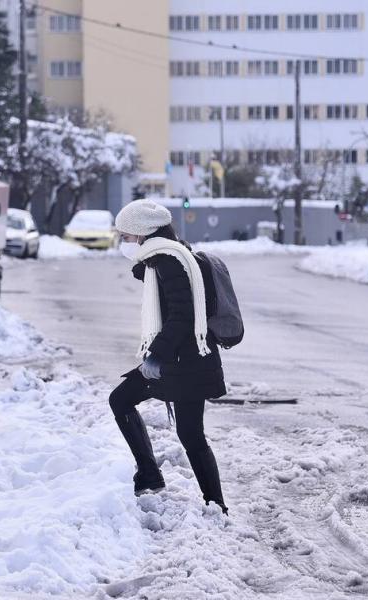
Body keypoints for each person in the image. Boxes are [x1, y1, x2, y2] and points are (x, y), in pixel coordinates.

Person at [109, 199, 228, 514]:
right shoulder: (170, 254)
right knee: (188, 432)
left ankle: (212, 502)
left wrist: (155, 357)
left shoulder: (167, 261)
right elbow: (165, 291)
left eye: (128, 235)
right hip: (186, 360)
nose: (126, 241)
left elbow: (182, 314)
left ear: (143, 232)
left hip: (183, 362)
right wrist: (141, 265)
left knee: (185, 431)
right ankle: (160, 478)